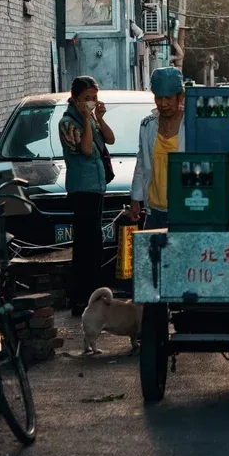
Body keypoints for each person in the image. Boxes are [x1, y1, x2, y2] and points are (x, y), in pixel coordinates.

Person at [58, 76, 115, 317]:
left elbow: (110, 140)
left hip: (97, 186)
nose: (91, 102)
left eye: (94, 98)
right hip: (82, 188)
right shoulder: (68, 122)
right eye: (86, 98)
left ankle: (93, 293)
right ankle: (81, 297)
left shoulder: (92, 118)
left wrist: (98, 118)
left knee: (95, 244)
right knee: (85, 244)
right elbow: (87, 150)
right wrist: (85, 117)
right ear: (75, 97)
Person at [129, 67, 186, 229]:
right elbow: (141, 163)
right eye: (158, 98)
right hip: (154, 210)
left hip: (183, 208)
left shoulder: (191, 125)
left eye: (168, 98)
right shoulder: (147, 125)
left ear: (180, 97)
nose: (163, 103)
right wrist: (135, 199)